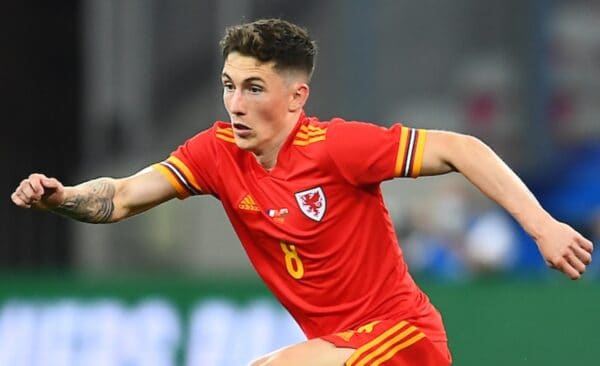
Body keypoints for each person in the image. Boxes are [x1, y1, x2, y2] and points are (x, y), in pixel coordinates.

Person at [11, 18, 593, 366]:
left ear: (296, 96)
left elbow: (463, 147)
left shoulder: (338, 148)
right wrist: (62, 197)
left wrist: (540, 225)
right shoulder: (213, 153)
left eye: (253, 87)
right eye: (228, 86)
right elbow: (122, 197)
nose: (235, 103)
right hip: (339, 351)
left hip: (401, 341)